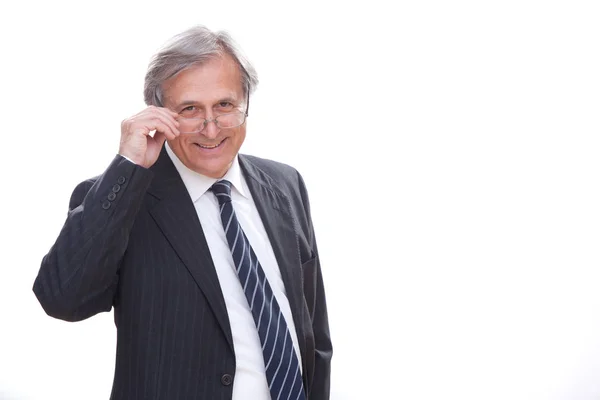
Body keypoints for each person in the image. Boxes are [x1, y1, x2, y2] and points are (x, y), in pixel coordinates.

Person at [32, 25, 332, 400]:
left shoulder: (285, 184)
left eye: (225, 105)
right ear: (159, 113)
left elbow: (312, 332)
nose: (210, 128)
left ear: (246, 104)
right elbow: (62, 298)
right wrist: (128, 166)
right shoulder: (123, 196)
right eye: (190, 109)